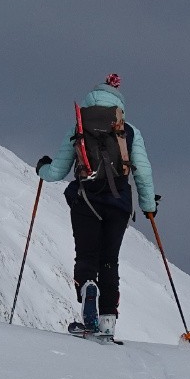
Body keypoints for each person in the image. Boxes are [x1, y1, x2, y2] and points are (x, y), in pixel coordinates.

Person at [35, 73, 157, 336]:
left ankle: (89, 287)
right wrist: (149, 206)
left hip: (85, 201)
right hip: (119, 204)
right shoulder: (129, 131)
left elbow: (57, 172)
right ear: (118, 104)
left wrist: (41, 169)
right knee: (110, 261)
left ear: (92, 99)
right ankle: (107, 323)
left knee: (87, 255)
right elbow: (143, 173)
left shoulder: (79, 127)